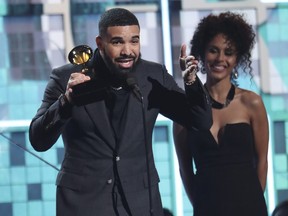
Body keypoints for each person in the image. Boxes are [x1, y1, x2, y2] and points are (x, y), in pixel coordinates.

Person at [29, 8, 211, 216]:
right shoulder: (66, 78)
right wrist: (66, 102)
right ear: (100, 43)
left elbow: (200, 121)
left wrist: (191, 83)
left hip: (141, 203)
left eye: (134, 41)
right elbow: (38, 140)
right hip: (84, 204)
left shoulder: (152, 76)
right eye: (117, 42)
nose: (128, 50)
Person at [173, 11, 269, 216]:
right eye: (213, 50)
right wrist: (201, 204)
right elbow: (185, 171)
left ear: (237, 58)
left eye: (228, 52)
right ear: (201, 54)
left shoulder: (251, 103)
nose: (220, 58)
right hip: (207, 209)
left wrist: (253, 202)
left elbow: (262, 161)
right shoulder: (185, 109)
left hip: (250, 208)